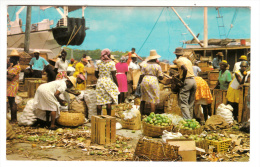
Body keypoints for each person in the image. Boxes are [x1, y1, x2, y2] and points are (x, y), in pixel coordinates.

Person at [173, 47, 197, 119]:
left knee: (183, 103)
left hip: (187, 81)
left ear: (176, 55)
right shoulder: (188, 60)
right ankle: (191, 120)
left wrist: (182, 80)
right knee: (190, 103)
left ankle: (187, 120)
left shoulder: (179, 60)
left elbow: (185, 69)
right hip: (193, 81)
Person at [138, 50, 163, 116]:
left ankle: (141, 115)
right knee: (153, 99)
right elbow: (161, 77)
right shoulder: (157, 66)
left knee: (143, 98)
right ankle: (152, 116)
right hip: (153, 81)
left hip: (145, 80)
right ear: (155, 58)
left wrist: (139, 83)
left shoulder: (145, 65)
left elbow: (141, 75)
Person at [95, 48, 119, 116]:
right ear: (109, 55)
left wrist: (100, 78)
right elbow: (114, 75)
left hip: (100, 82)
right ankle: (108, 118)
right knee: (108, 101)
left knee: (99, 101)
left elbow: (96, 74)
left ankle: (98, 118)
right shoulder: (111, 63)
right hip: (108, 82)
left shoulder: (98, 63)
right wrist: (117, 85)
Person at [7, 49, 21, 123]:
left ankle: (14, 119)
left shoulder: (17, 67)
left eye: (11, 58)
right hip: (9, 85)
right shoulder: (11, 66)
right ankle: (13, 118)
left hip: (13, 85)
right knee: (10, 101)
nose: (10, 59)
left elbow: (10, 77)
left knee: (12, 102)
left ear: (15, 59)